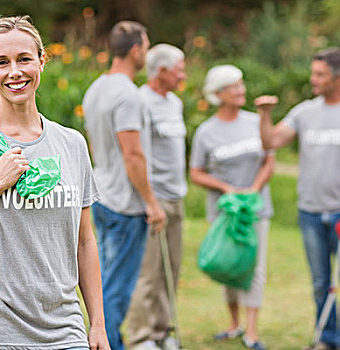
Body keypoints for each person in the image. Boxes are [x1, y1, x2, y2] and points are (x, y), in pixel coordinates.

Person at [0, 15, 109, 350]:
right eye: (2, 62)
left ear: (42, 60)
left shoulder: (72, 144)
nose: (14, 72)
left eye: (24, 59)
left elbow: (84, 241)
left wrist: (98, 324)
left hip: (64, 331)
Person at [256, 48, 340, 350]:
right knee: (319, 284)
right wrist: (265, 114)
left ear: (339, 77)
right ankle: (326, 339)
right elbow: (270, 141)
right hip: (310, 212)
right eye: (313, 73)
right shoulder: (304, 112)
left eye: (320, 74)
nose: (313, 79)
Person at [83, 21, 166, 350]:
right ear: (136, 50)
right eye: (145, 47)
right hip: (125, 205)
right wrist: (152, 202)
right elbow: (133, 155)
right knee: (116, 291)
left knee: (102, 285)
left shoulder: (96, 88)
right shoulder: (128, 95)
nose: (146, 53)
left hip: (101, 195)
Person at [190, 65, 275, 350]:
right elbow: (196, 172)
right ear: (218, 94)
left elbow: (270, 160)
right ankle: (233, 324)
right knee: (229, 266)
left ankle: (251, 332)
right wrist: (226, 188)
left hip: (255, 210)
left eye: (241, 84)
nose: (241, 90)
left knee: (254, 267)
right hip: (224, 212)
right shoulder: (206, 131)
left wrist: (253, 189)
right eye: (234, 86)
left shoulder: (255, 123)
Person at [125, 44, 187, 350]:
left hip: (177, 197)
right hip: (154, 198)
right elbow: (135, 153)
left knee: (170, 270)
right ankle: (141, 336)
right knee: (149, 272)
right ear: (161, 71)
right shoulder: (140, 101)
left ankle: (163, 332)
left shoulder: (175, 102)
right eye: (180, 69)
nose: (184, 75)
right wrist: (150, 200)